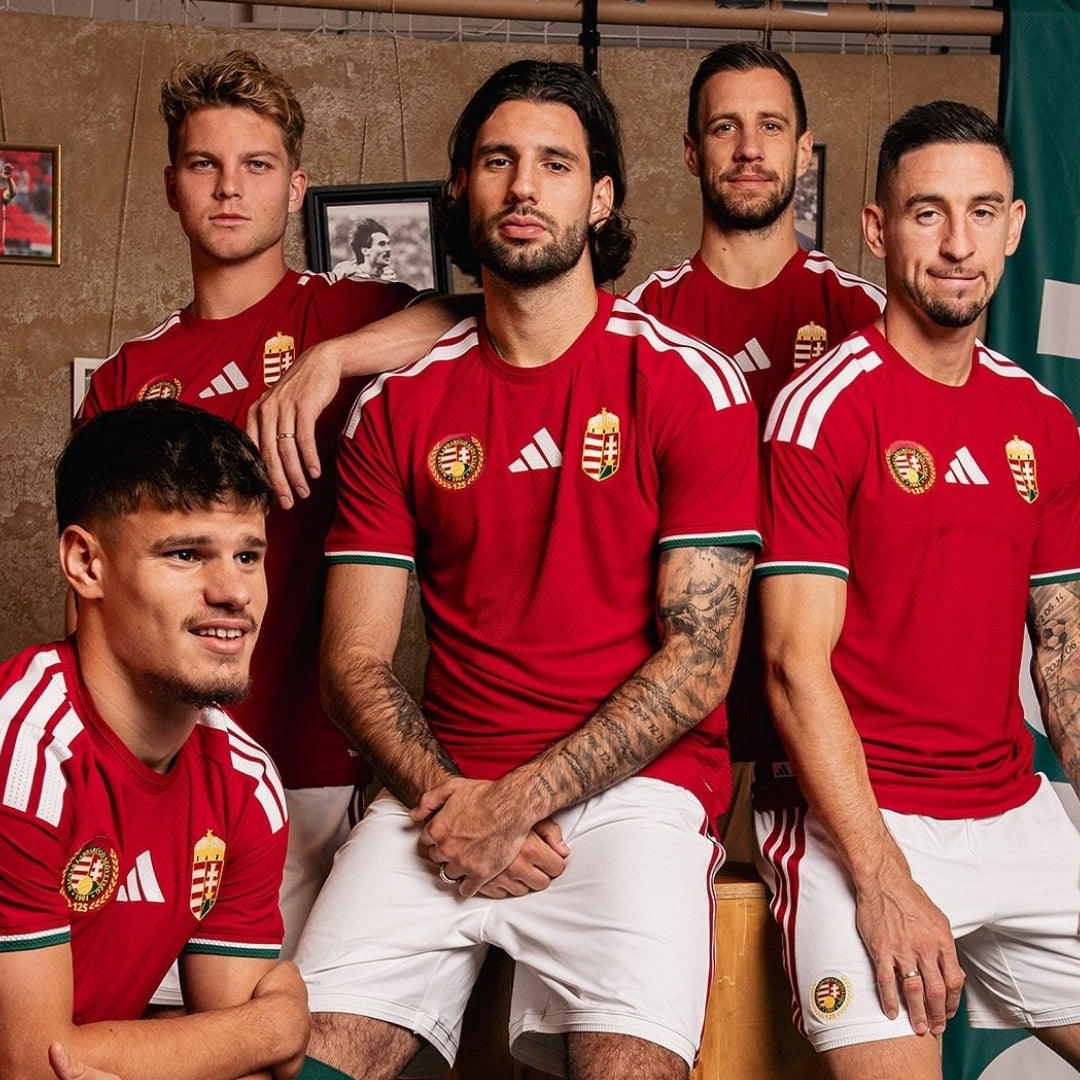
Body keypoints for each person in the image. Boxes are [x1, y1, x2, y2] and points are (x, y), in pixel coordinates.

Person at [292, 59, 760, 1080]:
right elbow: (352, 663)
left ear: (600, 198)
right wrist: (453, 801)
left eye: (556, 163)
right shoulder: (399, 405)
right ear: (463, 187)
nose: (523, 186)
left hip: (635, 797)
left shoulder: (689, 383)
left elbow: (699, 662)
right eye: (498, 160)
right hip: (439, 788)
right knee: (303, 1058)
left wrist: (517, 804)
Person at [79, 50, 454, 977]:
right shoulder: (129, 377)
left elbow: (475, 316)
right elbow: (92, 603)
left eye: (256, 165)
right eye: (204, 164)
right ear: (172, 186)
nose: (229, 187)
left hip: (320, 763)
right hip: (169, 768)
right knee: (160, 1020)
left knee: (299, 1022)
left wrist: (332, 361)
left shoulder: (350, 316)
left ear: (294, 188)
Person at [755, 100, 1080, 1079]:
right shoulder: (822, 411)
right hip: (860, 818)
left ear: (1015, 227)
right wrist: (884, 877)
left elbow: (1065, 654)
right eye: (927, 212)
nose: (957, 245)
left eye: (982, 213)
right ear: (877, 227)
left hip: (1012, 807)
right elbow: (792, 666)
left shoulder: (1042, 420)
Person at [0, 400, 308, 1080]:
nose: (233, 593)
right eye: (186, 554)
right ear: (87, 563)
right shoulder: (18, 753)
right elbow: (31, 1065)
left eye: (248, 555)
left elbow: (246, 1069)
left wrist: (233, 1042)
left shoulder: (244, 781)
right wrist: (275, 1023)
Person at [626, 43, 886, 815]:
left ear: (803, 151)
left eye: (770, 126)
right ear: (690, 151)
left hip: (830, 713)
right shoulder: (641, 321)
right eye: (724, 128)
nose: (748, 149)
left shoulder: (866, 317)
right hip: (671, 716)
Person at [331, 218, 397, 282]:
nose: (389, 249)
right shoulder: (344, 270)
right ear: (365, 250)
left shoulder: (389, 276)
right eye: (382, 244)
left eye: (388, 244)